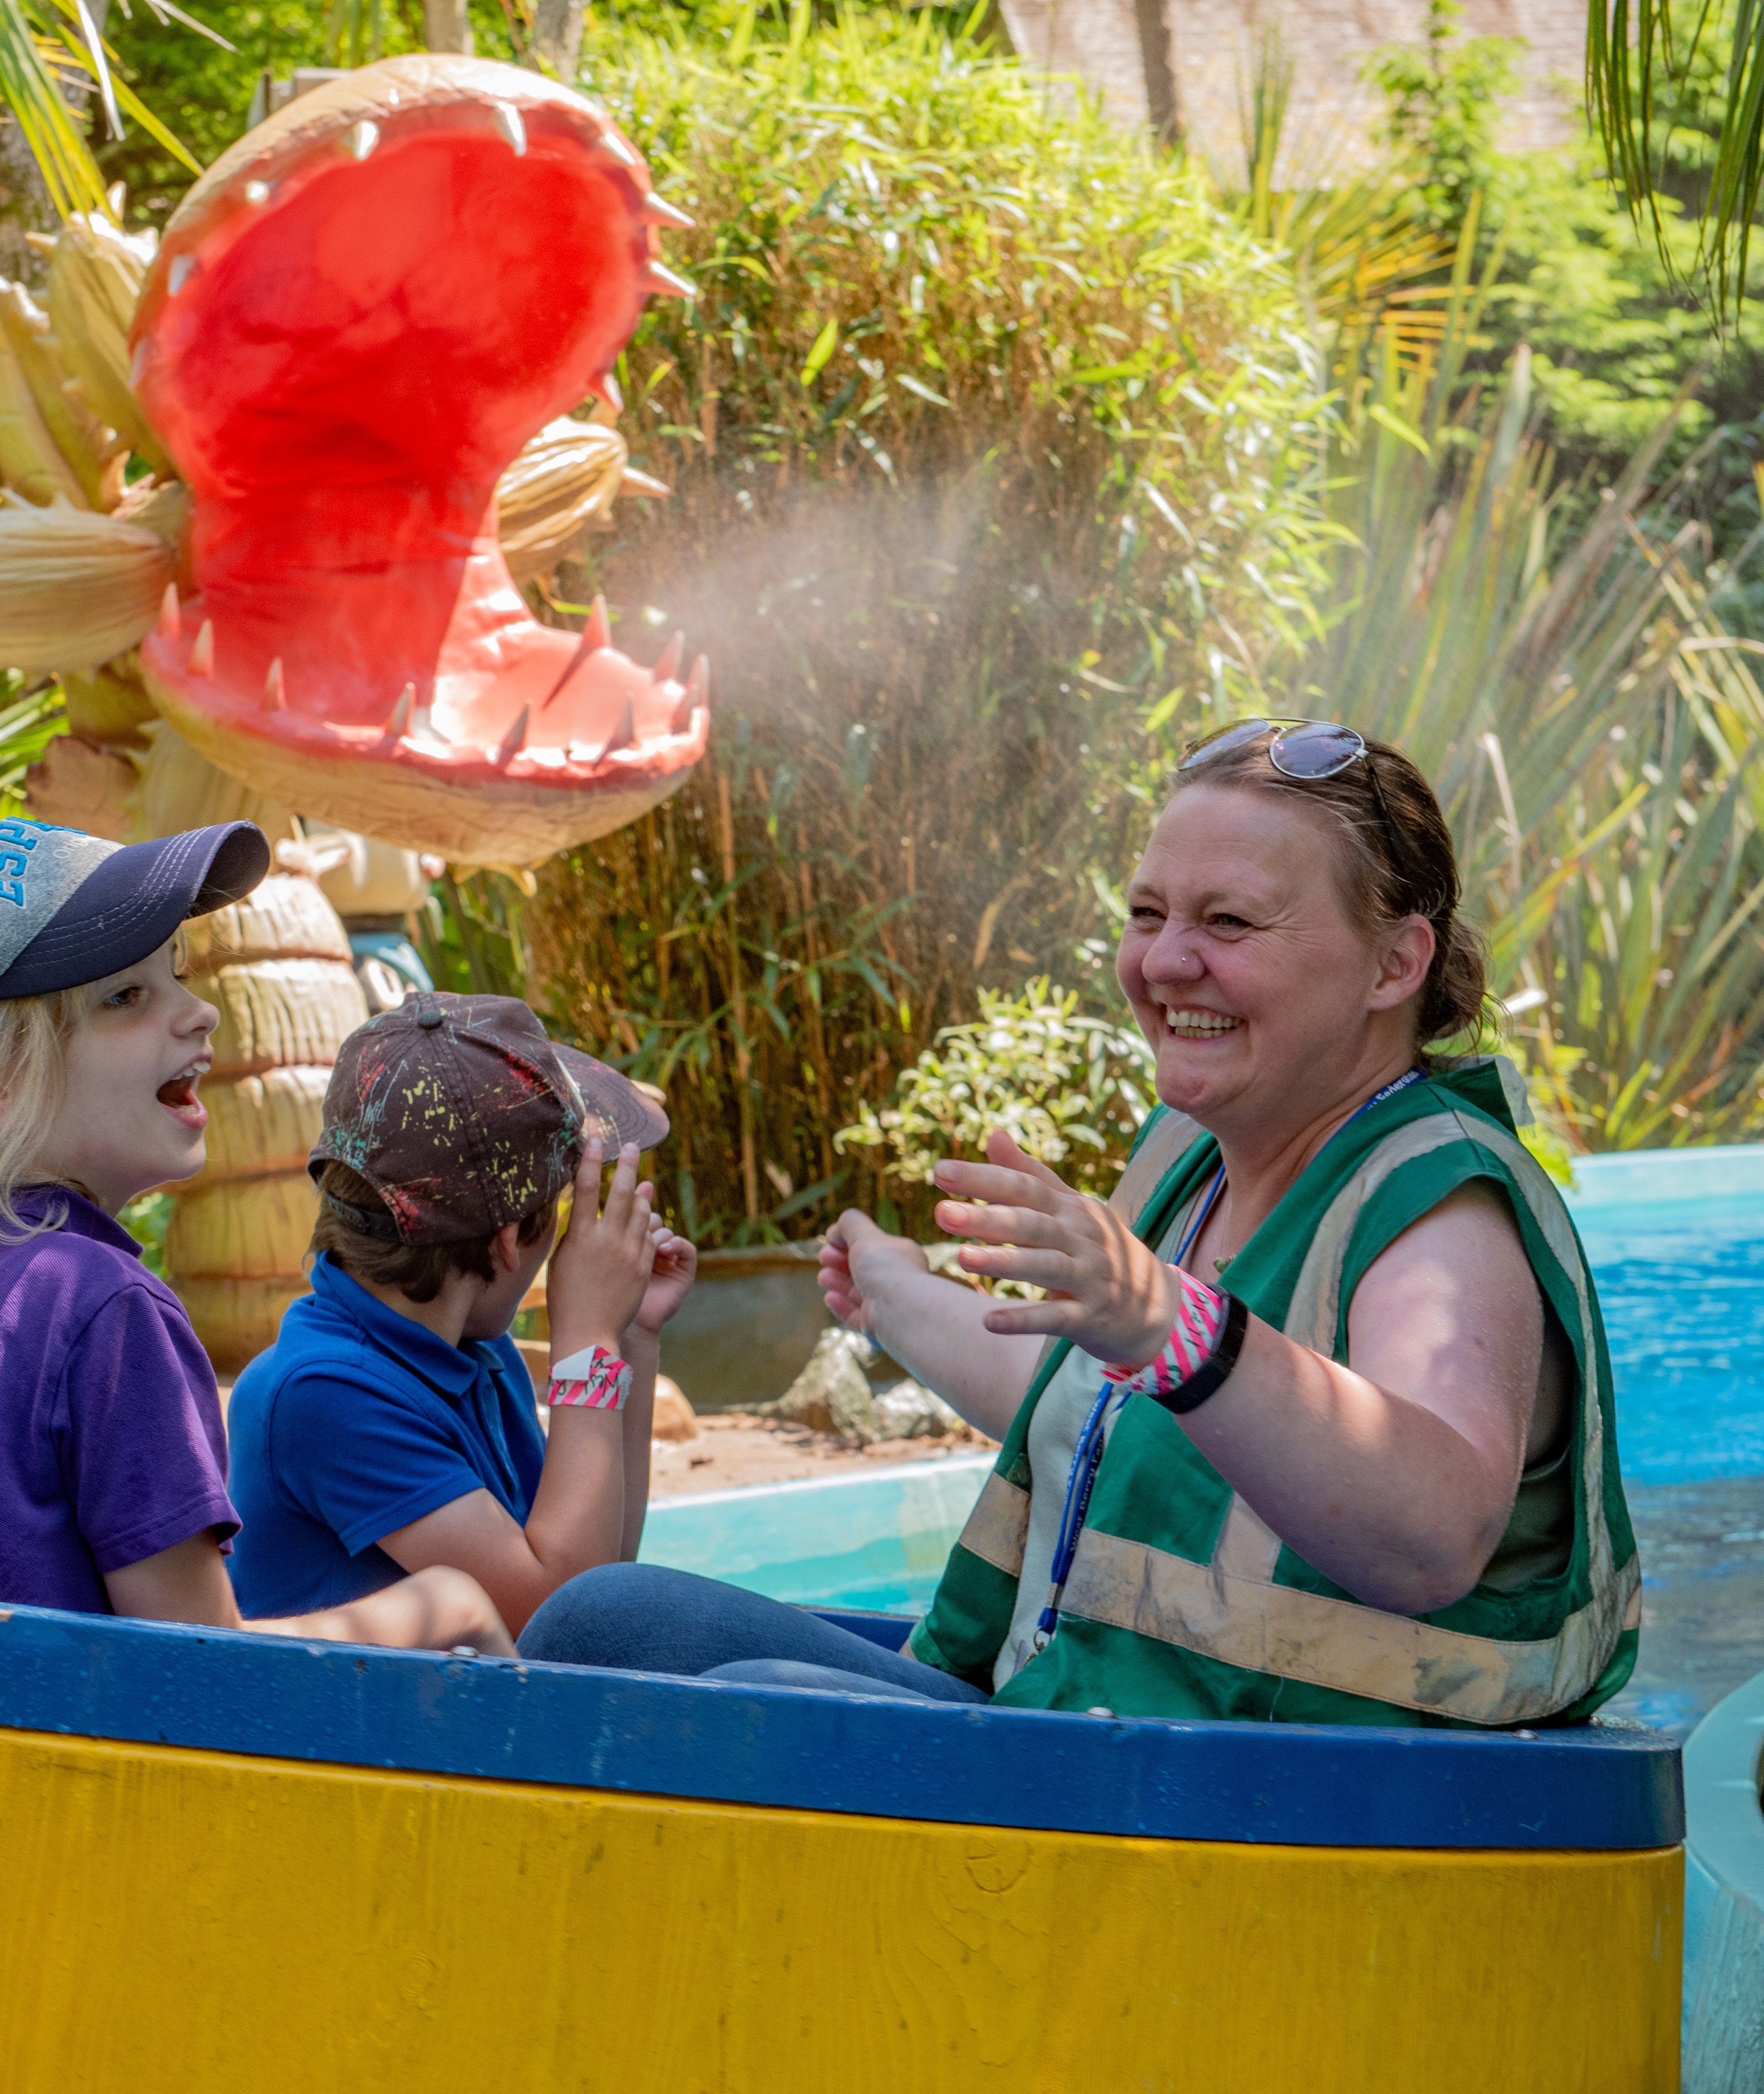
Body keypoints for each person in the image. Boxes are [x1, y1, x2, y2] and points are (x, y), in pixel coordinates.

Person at [522, 719, 1640, 1728]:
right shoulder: (1189, 1157)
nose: (1161, 961)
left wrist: (1166, 1324)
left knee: (755, 1716)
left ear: (1396, 962)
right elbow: (1106, 1417)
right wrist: (899, 1295)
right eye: (1146, 915)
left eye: (1228, 922)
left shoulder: (1441, 1211)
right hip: (1085, 1728)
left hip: (1273, 1816)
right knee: (598, 1622)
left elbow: (1429, 1533)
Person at [0, 815, 512, 1656]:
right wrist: (443, 1607)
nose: (201, 1013)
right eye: (125, 997)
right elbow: (195, 1673)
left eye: (175, 974)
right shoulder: (101, 1307)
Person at [224, 993, 696, 1632]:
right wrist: (586, 1343)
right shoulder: (322, 1394)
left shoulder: (473, 1348)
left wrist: (630, 1336)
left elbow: (603, 1574)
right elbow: (565, 1623)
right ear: (507, 1240)